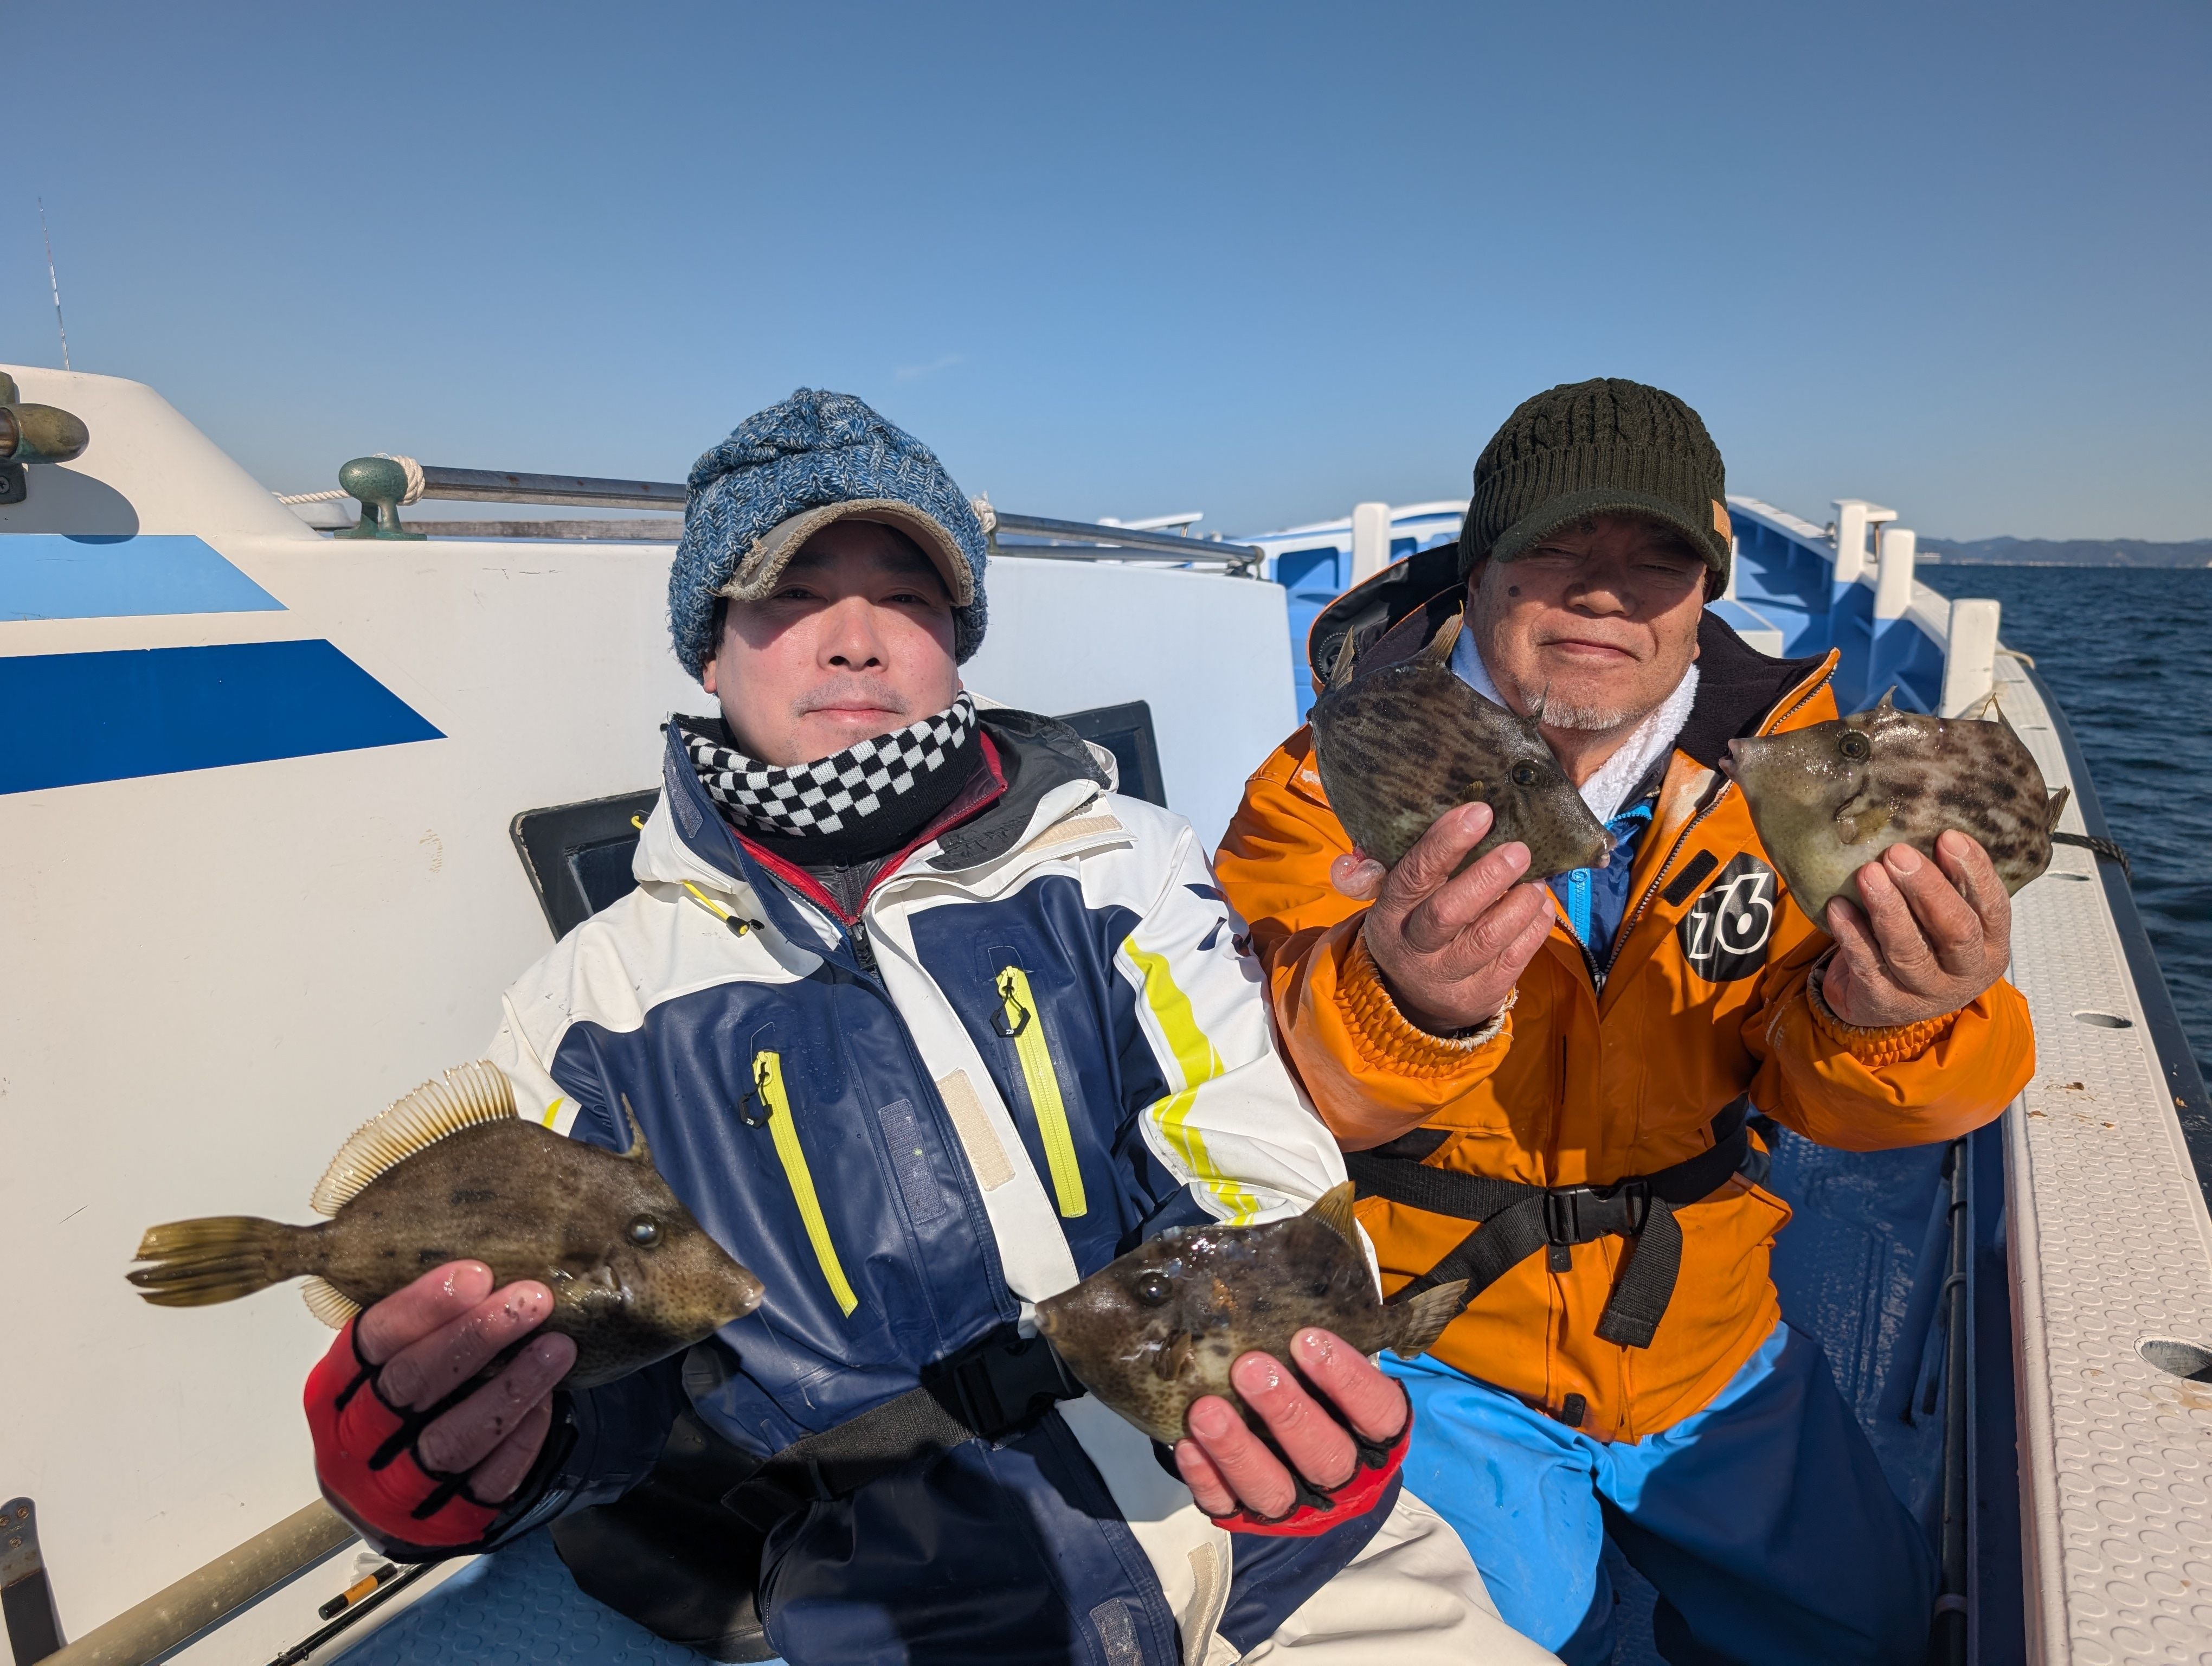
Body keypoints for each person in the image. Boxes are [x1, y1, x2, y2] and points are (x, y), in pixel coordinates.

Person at [299, 389, 1558, 1666]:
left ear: (957, 640)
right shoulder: (590, 1003)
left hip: (1258, 1533)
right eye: (790, 595)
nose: (856, 642)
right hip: (905, 1603)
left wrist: (1297, 1376)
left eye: (906, 597)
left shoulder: (1123, 862)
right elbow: (596, 1367)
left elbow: (1245, 1147)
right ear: (710, 651)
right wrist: (454, 1460)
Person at [1213, 378, 2035, 1665]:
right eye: (1561, 549)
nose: (1608, 594)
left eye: (1660, 559)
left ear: (1706, 591)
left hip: (1707, 1331)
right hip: (1432, 1339)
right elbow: (1268, 1092)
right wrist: (1401, 1000)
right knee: (1482, 1641)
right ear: (1482, 567)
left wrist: (1894, 1017)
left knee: (1870, 1631)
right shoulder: (1328, 781)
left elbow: (1829, 1099)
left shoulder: (1807, 780)